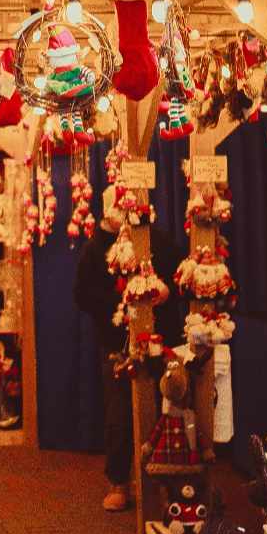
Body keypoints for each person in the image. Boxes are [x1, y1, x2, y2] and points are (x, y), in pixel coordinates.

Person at [74, 214, 187, 512]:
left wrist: (165, 292)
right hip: (118, 343)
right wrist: (118, 302)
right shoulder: (97, 248)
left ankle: (166, 482)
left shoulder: (159, 241)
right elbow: (82, 295)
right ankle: (119, 481)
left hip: (163, 341)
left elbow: (180, 279)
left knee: (169, 409)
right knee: (119, 413)